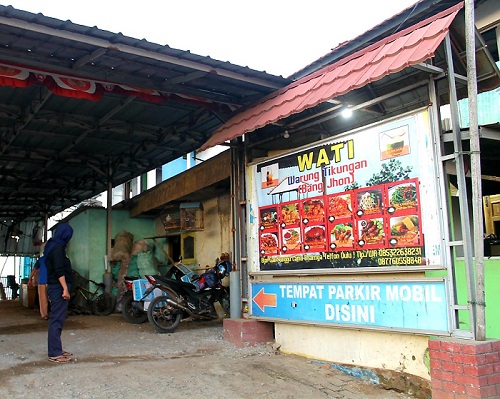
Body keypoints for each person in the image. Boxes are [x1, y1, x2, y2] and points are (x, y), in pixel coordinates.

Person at [45, 223, 74, 363]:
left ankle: (57, 348)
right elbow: (59, 269)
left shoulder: (53, 245)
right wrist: (65, 288)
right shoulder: (57, 248)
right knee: (56, 319)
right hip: (58, 287)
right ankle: (54, 353)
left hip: (56, 286)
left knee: (59, 319)